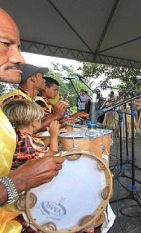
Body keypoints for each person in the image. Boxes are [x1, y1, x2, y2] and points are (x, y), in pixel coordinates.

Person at [0, 8, 64, 232]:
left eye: (17, 47)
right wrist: (18, 181)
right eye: (4, 44)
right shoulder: (16, 99)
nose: (19, 58)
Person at [3, 100, 60, 169]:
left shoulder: (17, 134)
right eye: (40, 120)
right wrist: (54, 136)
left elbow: (37, 147)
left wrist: (51, 136)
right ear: (33, 123)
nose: (41, 122)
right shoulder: (25, 140)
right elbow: (52, 155)